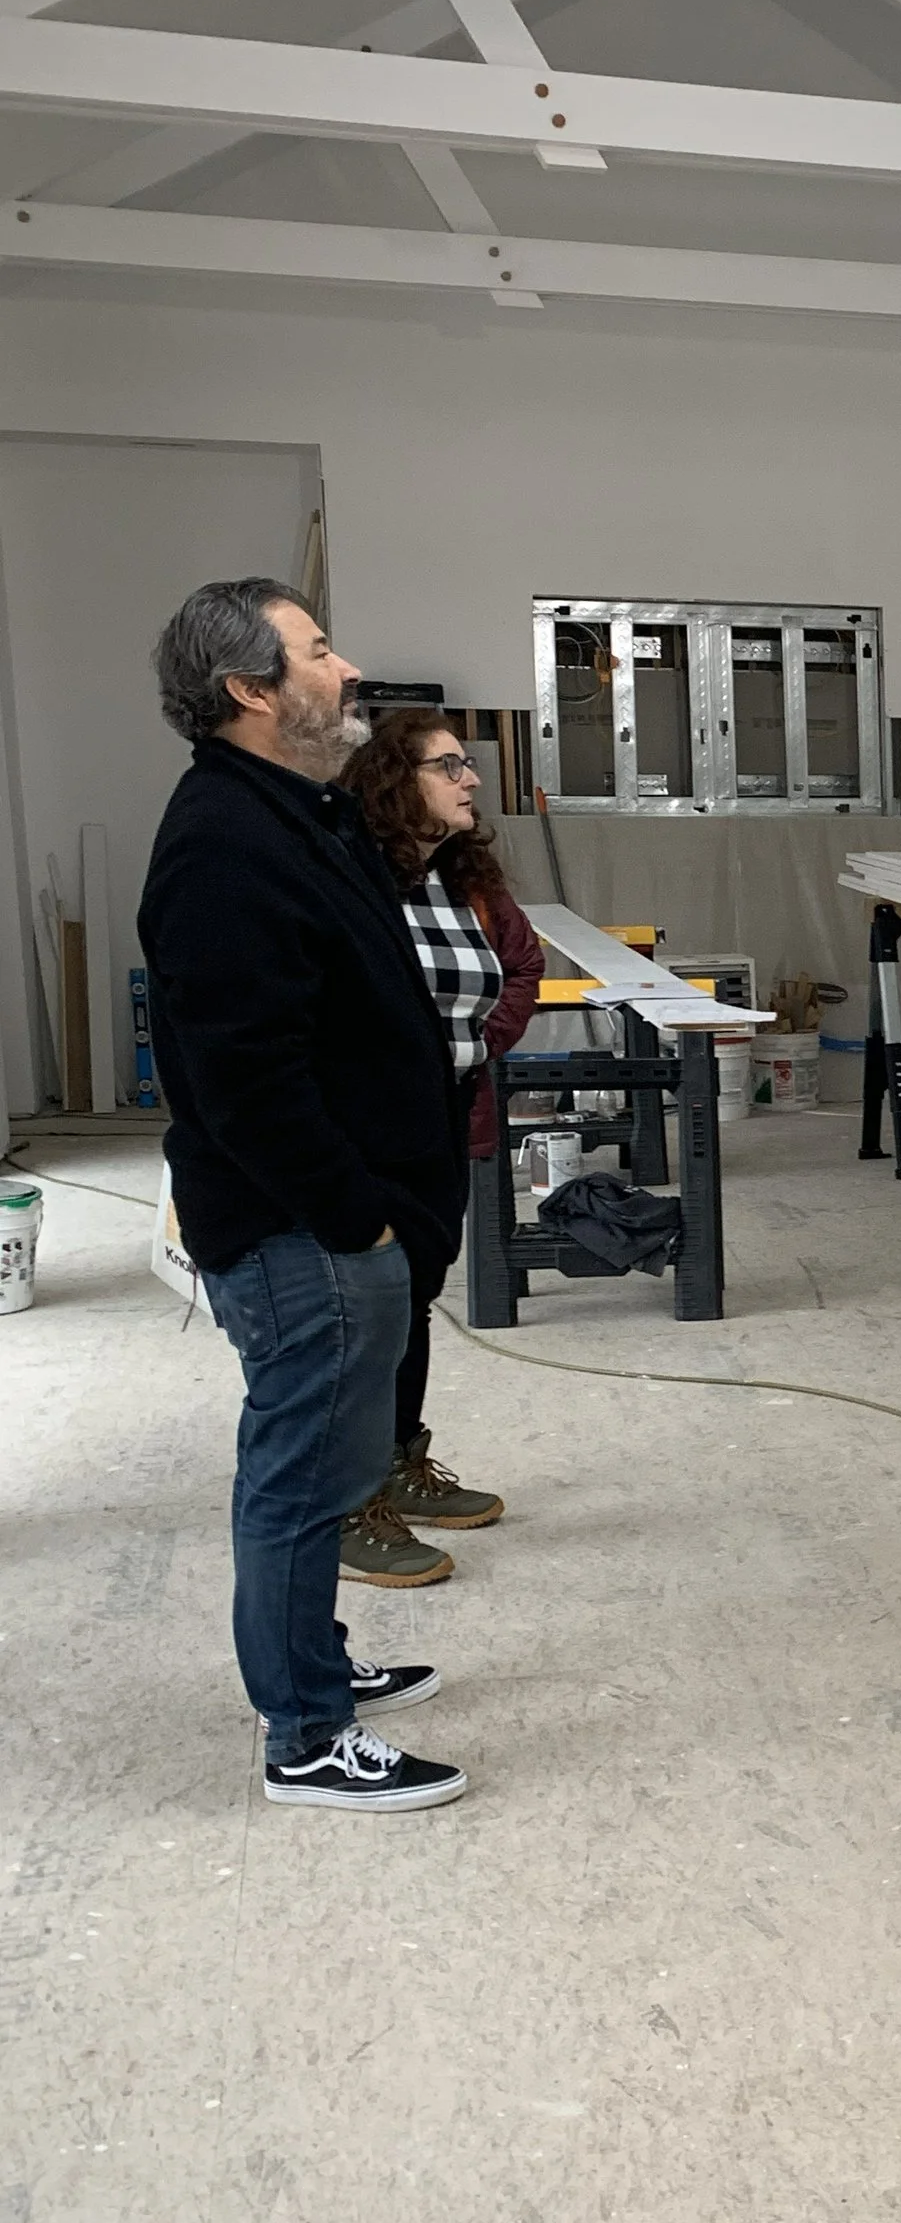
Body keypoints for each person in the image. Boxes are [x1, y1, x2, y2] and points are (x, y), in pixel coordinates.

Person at [137, 581, 469, 1812]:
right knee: (295, 1478)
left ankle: (315, 1664)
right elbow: (243, 1077)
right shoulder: (224, 842)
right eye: (319, 651)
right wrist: (357, 1216)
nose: (347, 667)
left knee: (331, 1470)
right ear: (250, 690)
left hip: (335, 1222)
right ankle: (306, 1739)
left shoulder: (290, 811)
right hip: (299, 1234)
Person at [342, 710, 542, 1586]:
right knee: (363, 1308)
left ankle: (397, 1465)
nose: (470, 779)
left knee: (416, 1292)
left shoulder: (467, 878)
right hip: (370, 1123)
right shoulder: (355, 877)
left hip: (447, 1114)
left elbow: (523, 964)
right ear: (396, 781)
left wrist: (478, 1047)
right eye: (449, 765)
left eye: (468, 764)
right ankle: (348, 1502)